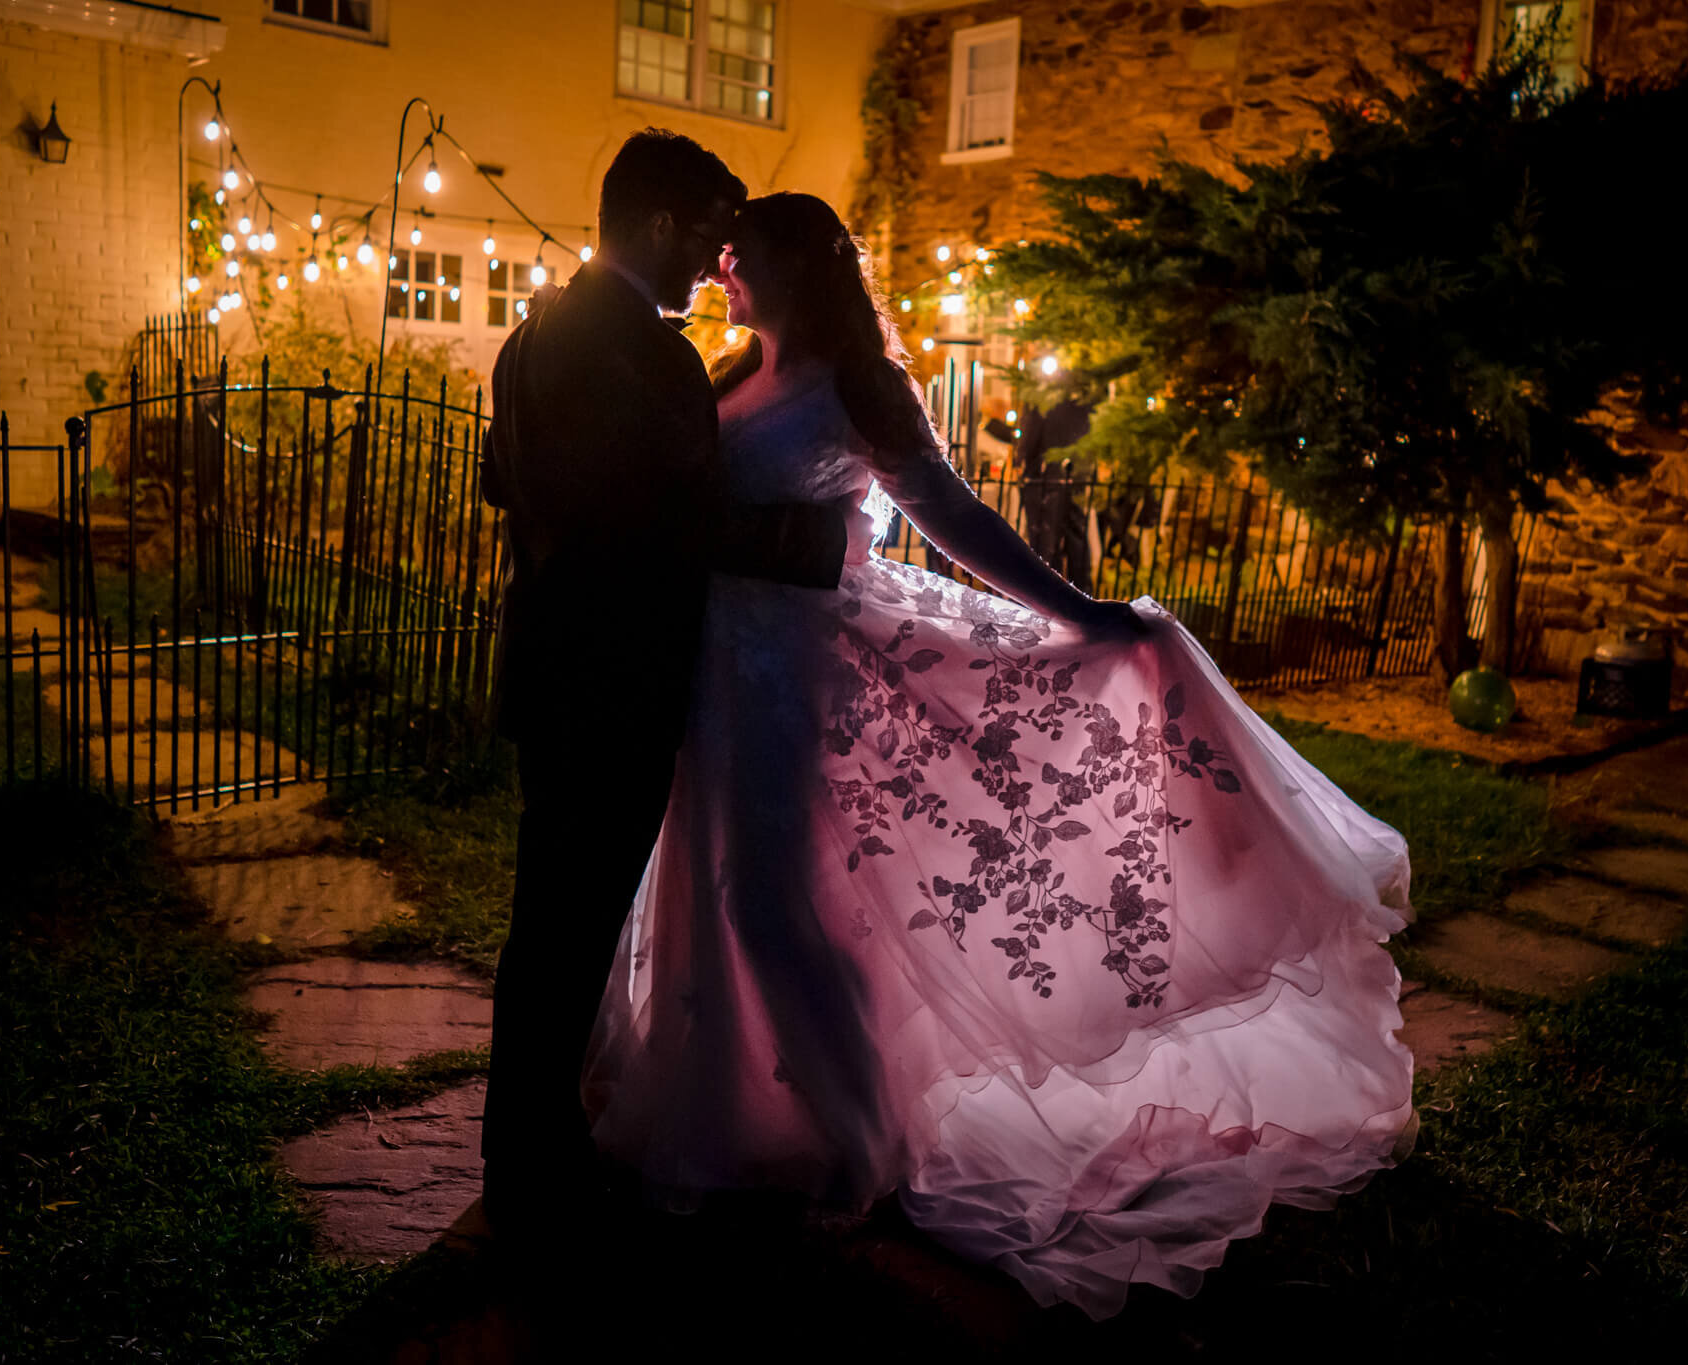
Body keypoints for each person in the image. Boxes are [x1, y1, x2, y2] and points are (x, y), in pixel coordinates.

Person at [580, 192, 1418, 1320]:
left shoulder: (860, 385)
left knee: (776, 906)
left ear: (798, 265)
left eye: (746, 254)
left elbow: (951, 517)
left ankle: (856, 1141)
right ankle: (739, 1117)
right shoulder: (726, 378)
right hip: (709, 674)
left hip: (793, 678)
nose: (724, 267)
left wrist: (1074, 609)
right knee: (711, 896)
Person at [476, 135, 869, 1229]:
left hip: (551, 662)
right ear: (658, 224)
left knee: (548, 922)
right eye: (705, 230)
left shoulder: (534, 331)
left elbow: (496, 477)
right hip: (614, 677)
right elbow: (672, 518)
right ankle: (535, 1172)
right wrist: (819, 544)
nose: (714, 259)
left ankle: (525, 1151)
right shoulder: (646, 359)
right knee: (571, 925)